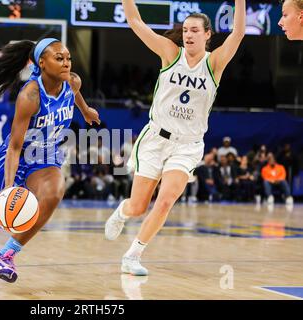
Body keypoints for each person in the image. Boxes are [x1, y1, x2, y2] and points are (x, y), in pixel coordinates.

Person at [0, 38, 100, 282]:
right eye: (59, 58)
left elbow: (76, 95)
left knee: (55, 192)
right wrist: (9, 186)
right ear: (42, 63)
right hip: (17, 156)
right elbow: (14, 147)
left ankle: (4, 256)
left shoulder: (73, 82)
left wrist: (85, 110)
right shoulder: (30, 96)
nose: (66, 63)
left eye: (68, 58)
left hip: (45, 156)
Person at [105, 0, 245, 276]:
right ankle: (122, 211)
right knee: (138, 206)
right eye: (185, 31)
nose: (188, 35)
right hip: (156, 139)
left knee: (166, 200)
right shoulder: (170, 54)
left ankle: (133, 255)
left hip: (188, 145)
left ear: (208, 34)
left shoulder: (214, 63)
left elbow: (238, 32)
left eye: (195, 30)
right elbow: (136, 22)